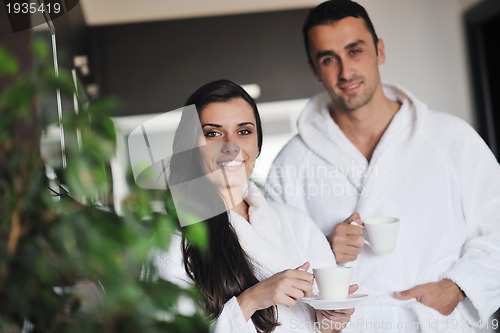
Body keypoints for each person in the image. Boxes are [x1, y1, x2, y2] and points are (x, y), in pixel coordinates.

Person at [265, 1, 500, 332]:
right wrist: (326, 251)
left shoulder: (451, 138)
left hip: (439, 324)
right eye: (329, 59)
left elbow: (498, 226)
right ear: (314, 71)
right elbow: (273, 267)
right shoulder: (291, 163)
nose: (345, 72)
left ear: (379, 50)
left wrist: (457, 286)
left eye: (355, 50)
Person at [147, 79, 356, 333]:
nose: (230, 146)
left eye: (244, 131)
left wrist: (329, 322)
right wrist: (253, 299)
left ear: (257, 145)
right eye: (213, 133)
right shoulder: (172, 242)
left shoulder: (295, 223)